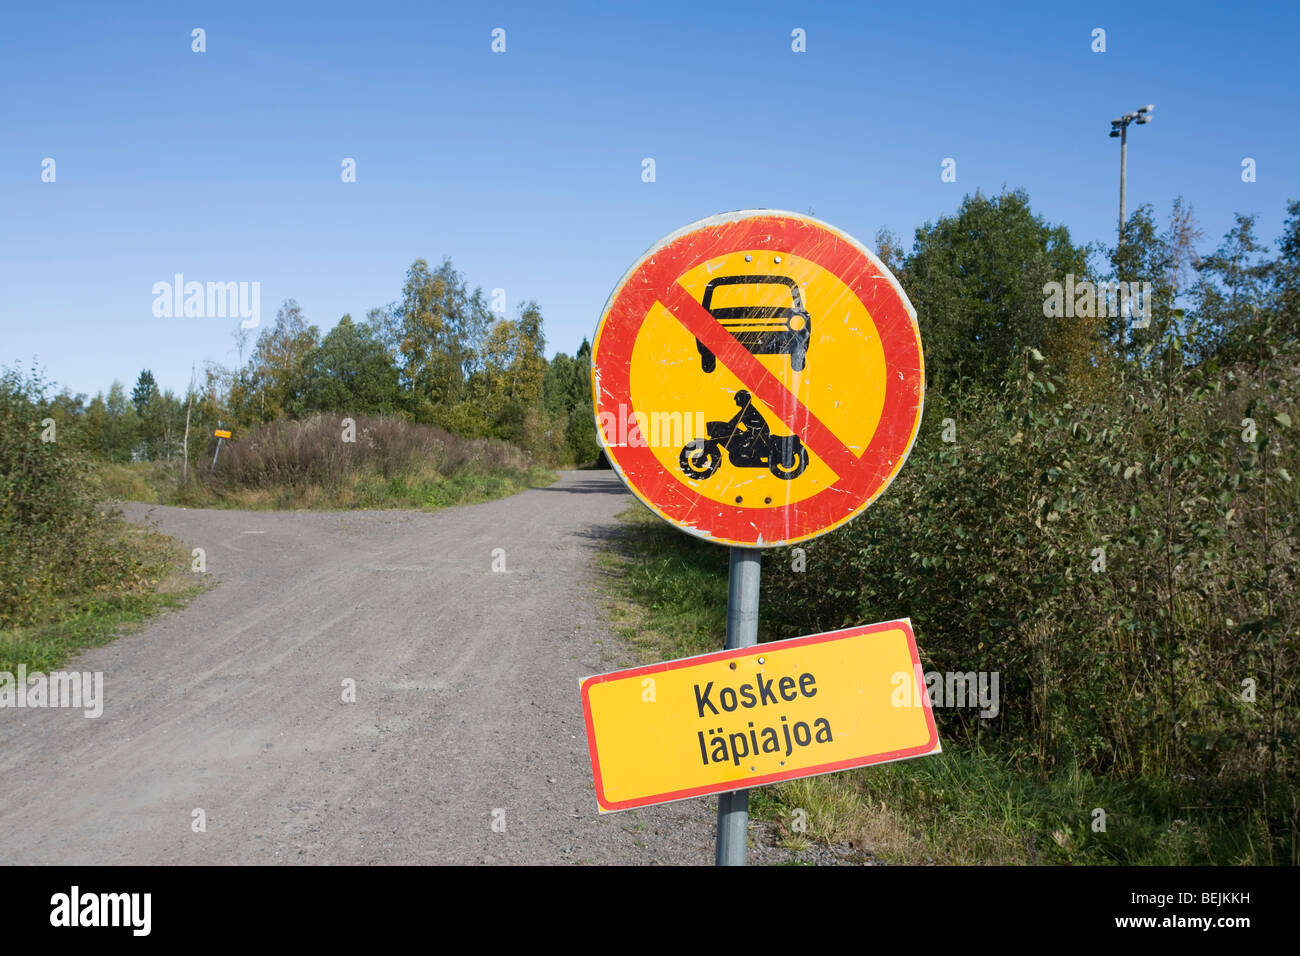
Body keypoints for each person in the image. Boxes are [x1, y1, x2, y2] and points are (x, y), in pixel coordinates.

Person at [722, 390, 771, 454]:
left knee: (744, 445)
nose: (736, 400)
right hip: (756, 433)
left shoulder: (748, 410)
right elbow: (733, 422)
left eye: (737, 399)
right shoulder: (745, 410)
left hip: (760, 435)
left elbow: (734, 422)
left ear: (742, 399)